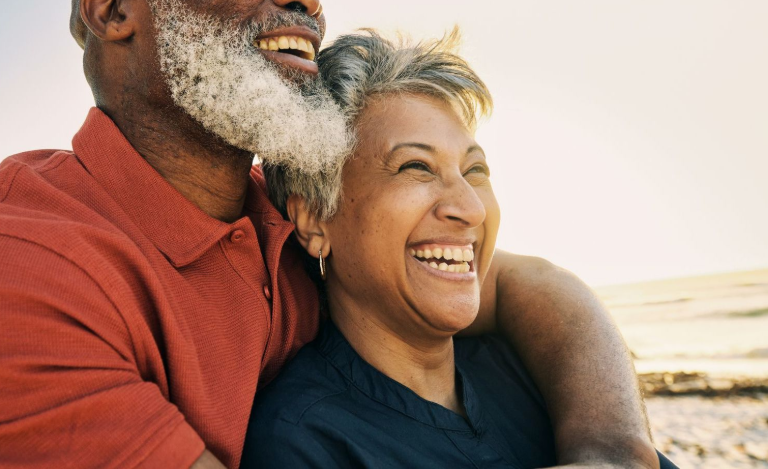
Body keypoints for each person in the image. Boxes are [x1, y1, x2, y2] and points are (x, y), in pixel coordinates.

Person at [0, 0, 656, 469]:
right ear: (114, 12)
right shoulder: (8, 269)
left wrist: (613, 446)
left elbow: (520, 282)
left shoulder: (285, 210)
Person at [244, 30, 676, 468]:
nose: (470, 208)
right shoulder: (303, 444)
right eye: (416, 167)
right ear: (314, 219)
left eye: (475, 170)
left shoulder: (538, 373)